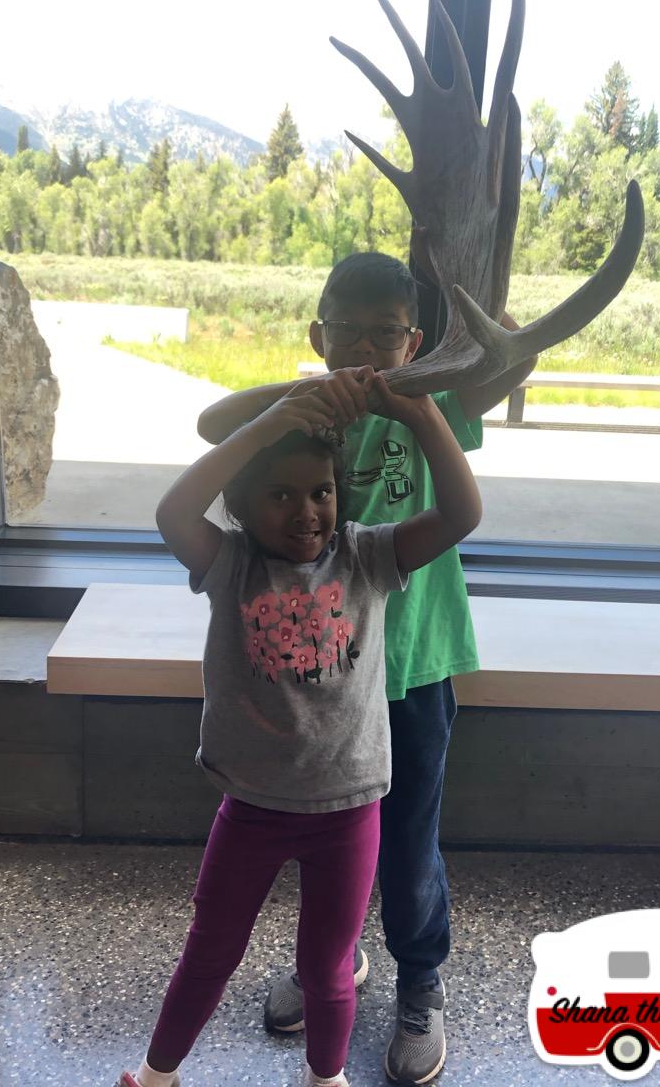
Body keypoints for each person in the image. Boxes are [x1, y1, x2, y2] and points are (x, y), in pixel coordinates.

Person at [196, 252, 536, 1084]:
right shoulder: (304, 419)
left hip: (411, 668)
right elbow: (213, 424)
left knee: (408, 839)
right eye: (348, 330)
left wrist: (415, 395)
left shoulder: (438, 405)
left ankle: (420, 980)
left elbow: (509, 371)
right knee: (320, 837)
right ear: (318, 334)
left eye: (387, 332)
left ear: (414, 338)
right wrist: (302, 396)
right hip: (320, 674)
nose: (367, 346)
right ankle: (333, 964)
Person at [121, 360, 482, 1087]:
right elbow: (171, 514)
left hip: (347, 812)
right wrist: (271, 421)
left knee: (327, 968)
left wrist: (419, 412)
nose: (304, 512)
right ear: (245, 508)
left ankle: (326, 1079)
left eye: (319, 493)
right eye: (279, 495)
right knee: (211, 949)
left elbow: (462, 514)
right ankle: (157, 1075)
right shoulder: (231, 565)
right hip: (251, 806)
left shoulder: (369, 556)